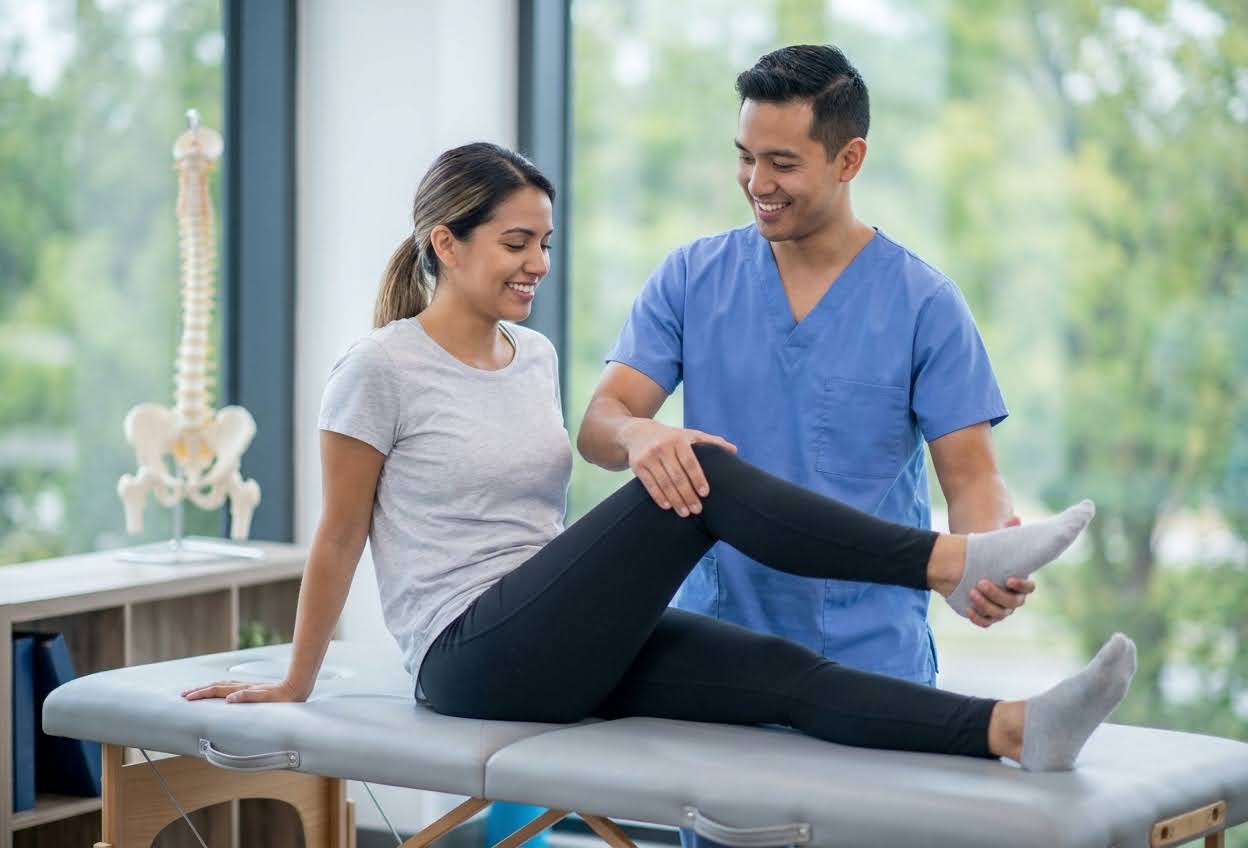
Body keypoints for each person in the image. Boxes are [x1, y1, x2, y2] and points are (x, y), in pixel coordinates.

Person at [182, 142, 1135, 773]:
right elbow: (340, 536)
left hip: (557, 638)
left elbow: (544, 524)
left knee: (781, 675)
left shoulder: (535, 357)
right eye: (516, 243)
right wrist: (297, 682)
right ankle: (945, 561)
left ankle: (1018, 730)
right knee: (697, 471)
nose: (537, 264)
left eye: (546, 243)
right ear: (447, 242)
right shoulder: (378, 366)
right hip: (465, 656)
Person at [579, 45, 1025, 692]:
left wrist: (986, 562)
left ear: (850, 160)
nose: (757, 183)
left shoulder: (924, 304)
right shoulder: (690, 278)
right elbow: (600, 423)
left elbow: (973, 479)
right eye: (745, 156)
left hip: (868, 663)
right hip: (713, 653)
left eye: (782, 163)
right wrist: (636, 435)